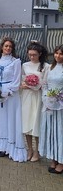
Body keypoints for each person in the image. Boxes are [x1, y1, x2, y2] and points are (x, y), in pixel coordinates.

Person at [0, 37, 27, 162]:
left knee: (9, 119)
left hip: (10, 96)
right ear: (2, 47)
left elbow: (16, 80)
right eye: (6, 46)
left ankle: (9, 146)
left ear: (12, 48)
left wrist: (7, 92)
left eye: (10, 46)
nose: (8, 48)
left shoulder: (16, 62)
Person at [21, 41, 48, 162]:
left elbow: (45, 84)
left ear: (40, 54)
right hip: (27, 97)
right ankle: (29, 149)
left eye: (34, 55)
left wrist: (34, 85)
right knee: (26, 123)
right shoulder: (25, 65)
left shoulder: (45, 66)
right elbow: (22, 81)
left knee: (36, 123)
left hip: (38, 97)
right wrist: (26, 85)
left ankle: (37, 151)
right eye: (30, 54)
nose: (32, 57)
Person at [39, 44, 63, 174]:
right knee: (51, 131)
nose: (58, 56)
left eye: (61, 54)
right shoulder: (50, 67)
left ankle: (62, 161)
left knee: (60, 132)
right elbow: (45, 84)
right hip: (49, 104)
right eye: (56, 53)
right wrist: (47, 98)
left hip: (61, 106)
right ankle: (54, 158)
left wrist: (59, 97)